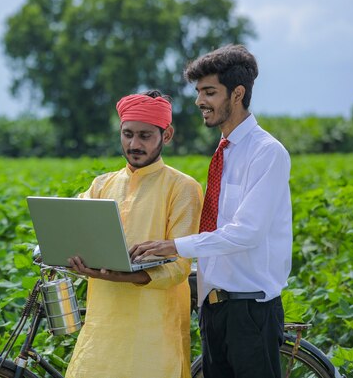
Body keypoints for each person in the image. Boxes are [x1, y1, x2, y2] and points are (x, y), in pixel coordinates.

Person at [130, 44, 293, 378]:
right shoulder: (224, 151)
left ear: (237, 93)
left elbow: (246, 232)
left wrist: (174, 246)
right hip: (213, 307)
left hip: (251, 310)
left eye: (209, 92)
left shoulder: (267, 153)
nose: (199, 101)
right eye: (198, 91)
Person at [65, 90, 203, 378]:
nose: (134, 144)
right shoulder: (101, 185)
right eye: (128, 134)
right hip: (102, 324)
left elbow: (179, 267)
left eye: (144, 135)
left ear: (166, 135)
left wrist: (121, 276)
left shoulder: (183, 188)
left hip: (154, 331)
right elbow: (72, 230)